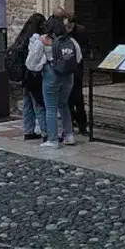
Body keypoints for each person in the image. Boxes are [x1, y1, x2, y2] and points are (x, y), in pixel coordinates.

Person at [28, 14, 81, 149]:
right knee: (64, 104)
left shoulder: (43, 41)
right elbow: (78, 57)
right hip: (68, 76)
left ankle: (52, 139)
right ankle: (69, 135)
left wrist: (41, 66)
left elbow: (31, 63)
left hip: (51, 74)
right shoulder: (70, 40)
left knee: (50, 108)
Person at [8, 13, 47, 140]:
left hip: (24, 77)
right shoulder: (35, 40)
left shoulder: (22, 37)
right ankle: (45, 132)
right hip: (33, 76)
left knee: (27, 104)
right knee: (38, 104)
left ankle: (28, 130)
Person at [65, 12, 90, 135]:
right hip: (66, 70)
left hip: (77, 68)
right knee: (68, 100)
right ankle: (71, 123)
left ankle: (82, 126)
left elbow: (85, 47)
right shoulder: (62, 31)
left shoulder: (81, 31)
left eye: (69, 24)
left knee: (78, 99)